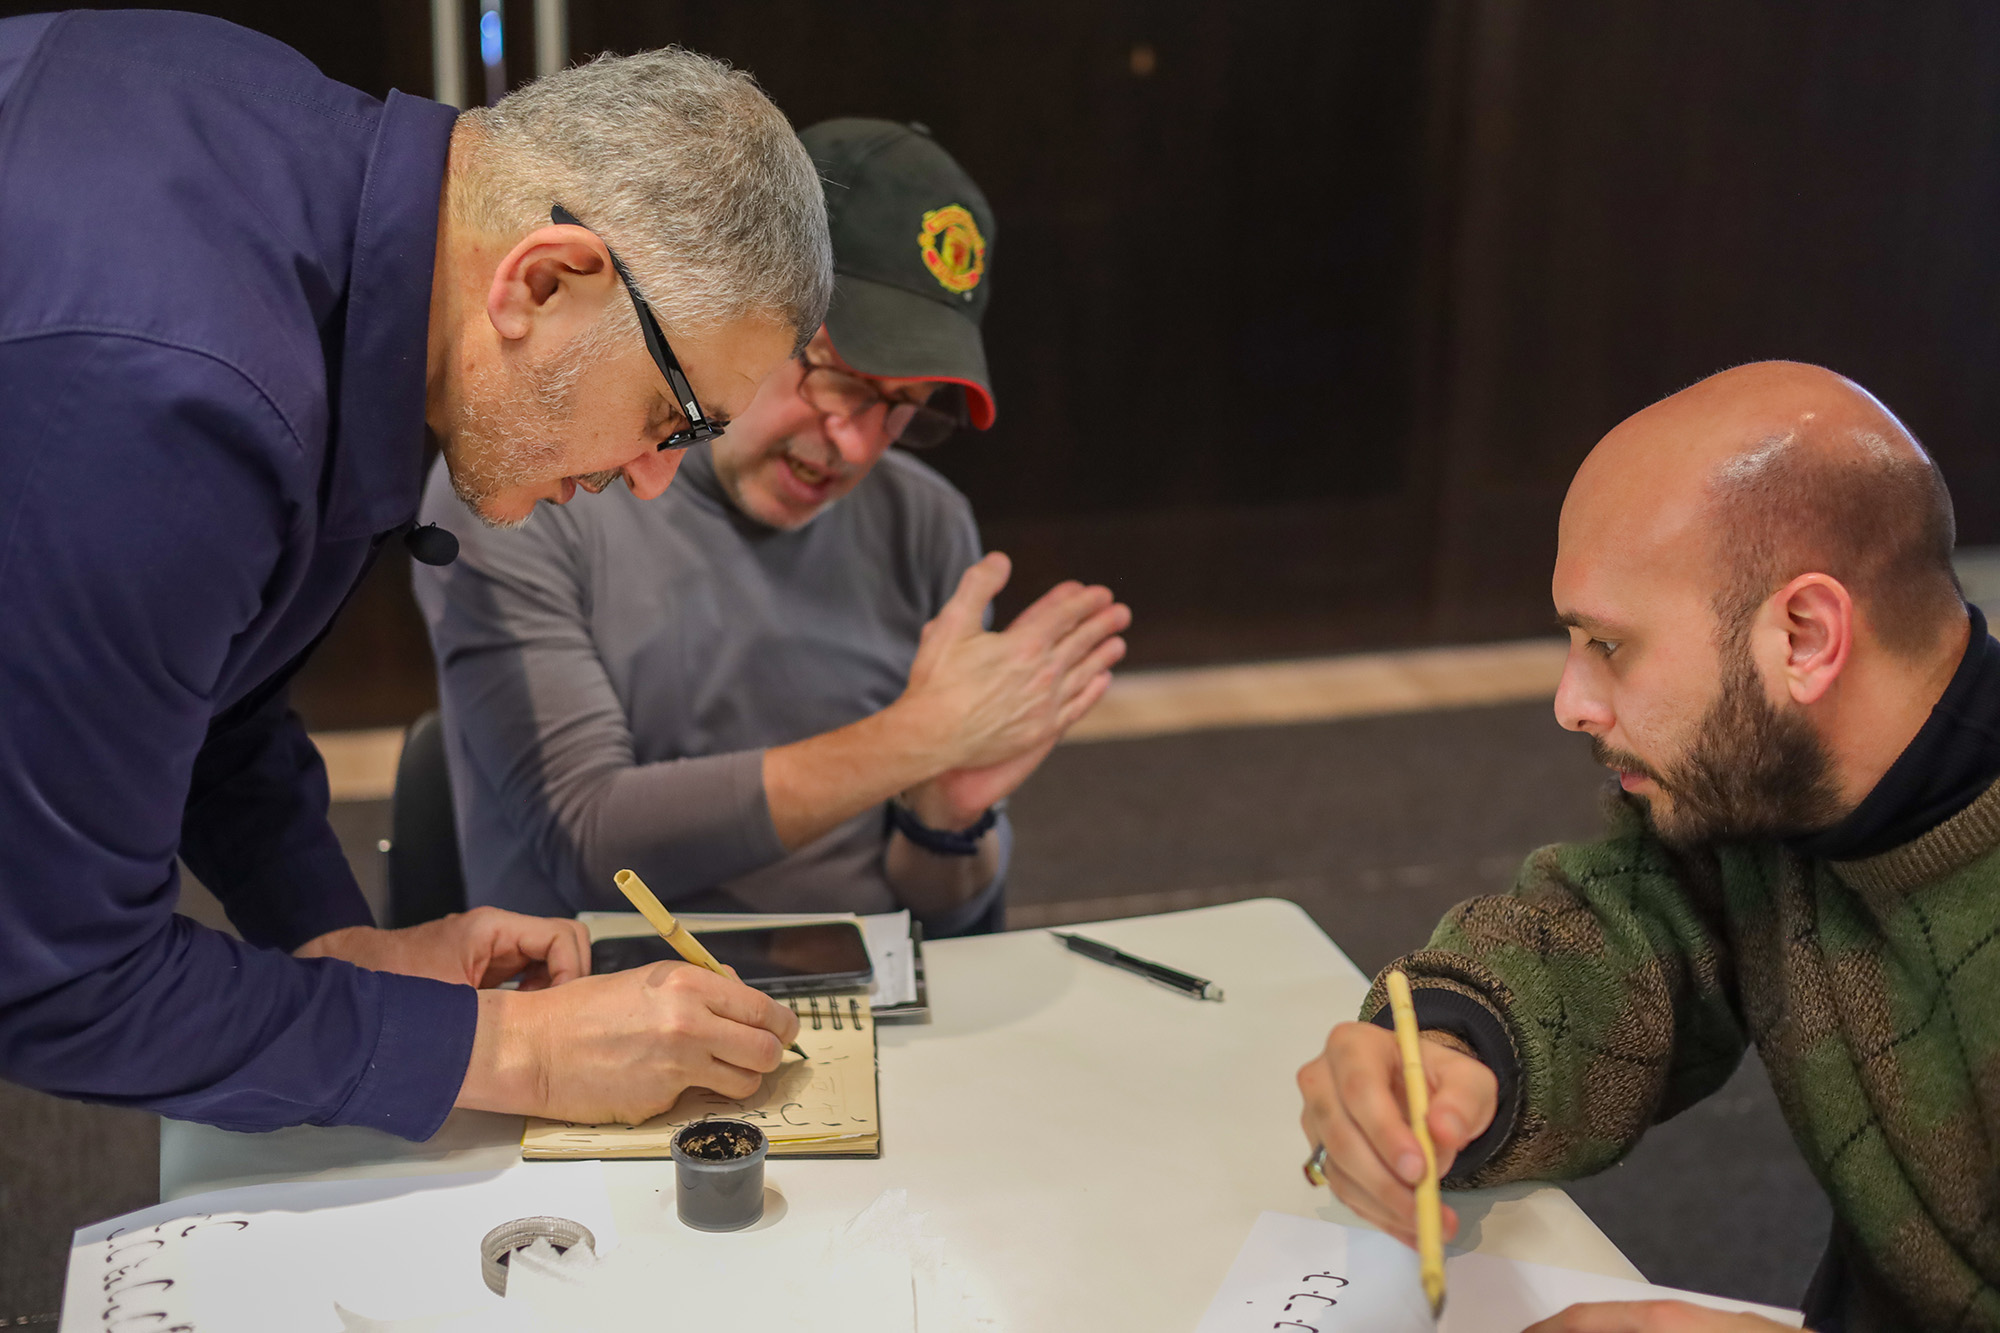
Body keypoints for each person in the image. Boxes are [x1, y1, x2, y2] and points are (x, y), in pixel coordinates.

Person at [0, 11, 835, 1139]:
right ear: (542, 283)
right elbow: (65, 979)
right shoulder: (175, 396)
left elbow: (207, 696)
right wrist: (518, 1052)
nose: (649, 481)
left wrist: (336, 947)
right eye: (670, 418)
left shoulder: (314, 199)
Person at [1296, 362, 2000, 1332]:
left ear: (1801, 633)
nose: (1570, 702)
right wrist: (1459, 1052)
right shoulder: (1766, 788)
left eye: (1609, 646)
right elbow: (1626, 927)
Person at [414, 118, 1130, 933]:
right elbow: (591, 841)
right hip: (600, 1004)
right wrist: (913, 739)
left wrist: (945, 818)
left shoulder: (925, 523)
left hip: (866, 1005)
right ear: (742, 316)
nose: (857, 443)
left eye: (906, 409)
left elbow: (950, 923)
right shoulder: (543, 488)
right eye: (839, 380)